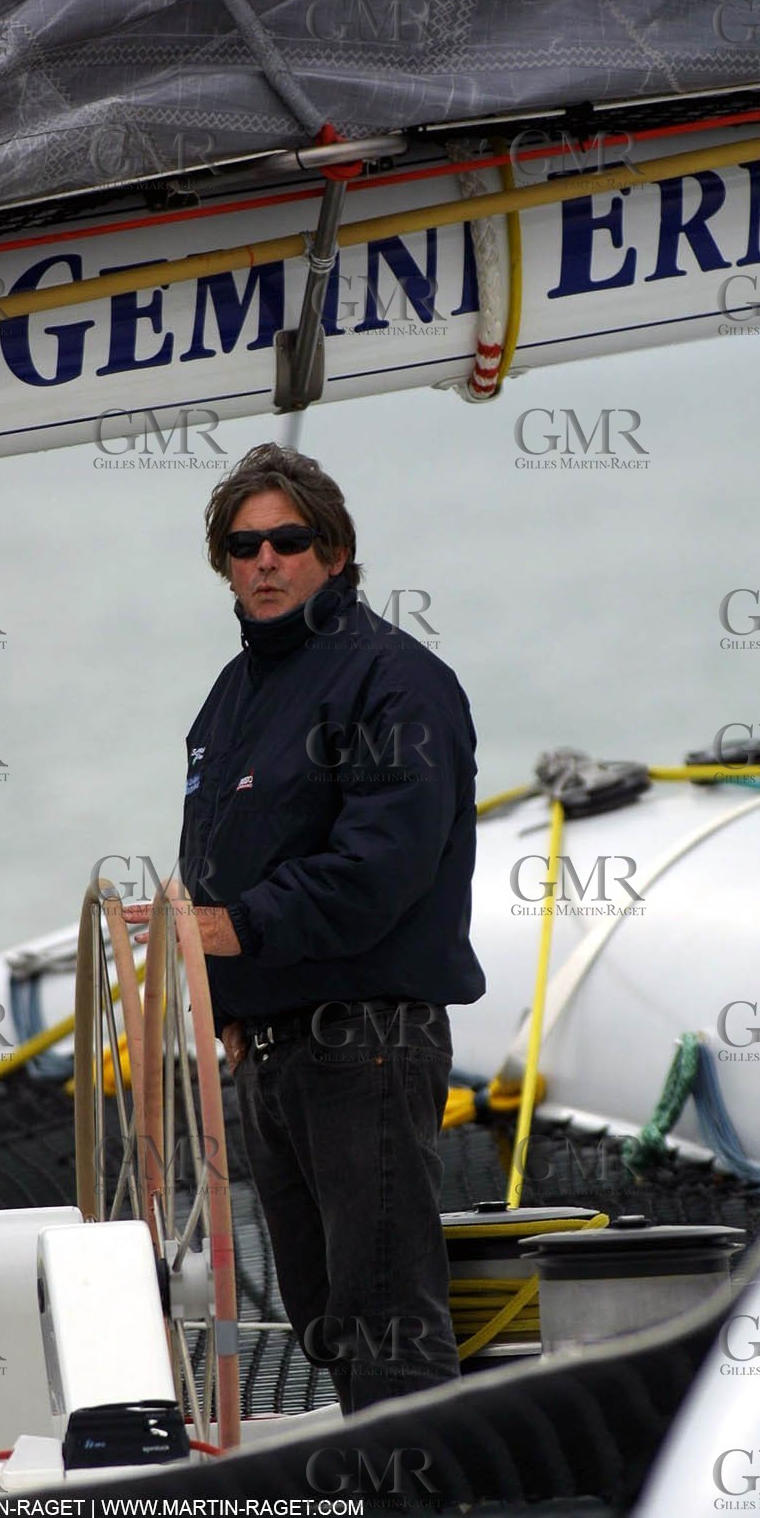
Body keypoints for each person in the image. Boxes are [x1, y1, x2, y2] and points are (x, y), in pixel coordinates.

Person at [135, 442, 485, 1413]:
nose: (264, 560)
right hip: (270, 1055)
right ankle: (378, 1499)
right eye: (243, 545)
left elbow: (380, 869)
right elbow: (217, 856)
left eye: (287, 540)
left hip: (366, 1041)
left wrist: (229, 930)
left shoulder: (395, 681)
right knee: (324, 1315)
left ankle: (414, 1513)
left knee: (385, 1317)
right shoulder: (232, 695)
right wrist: (231, 1008)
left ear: (333, 551)